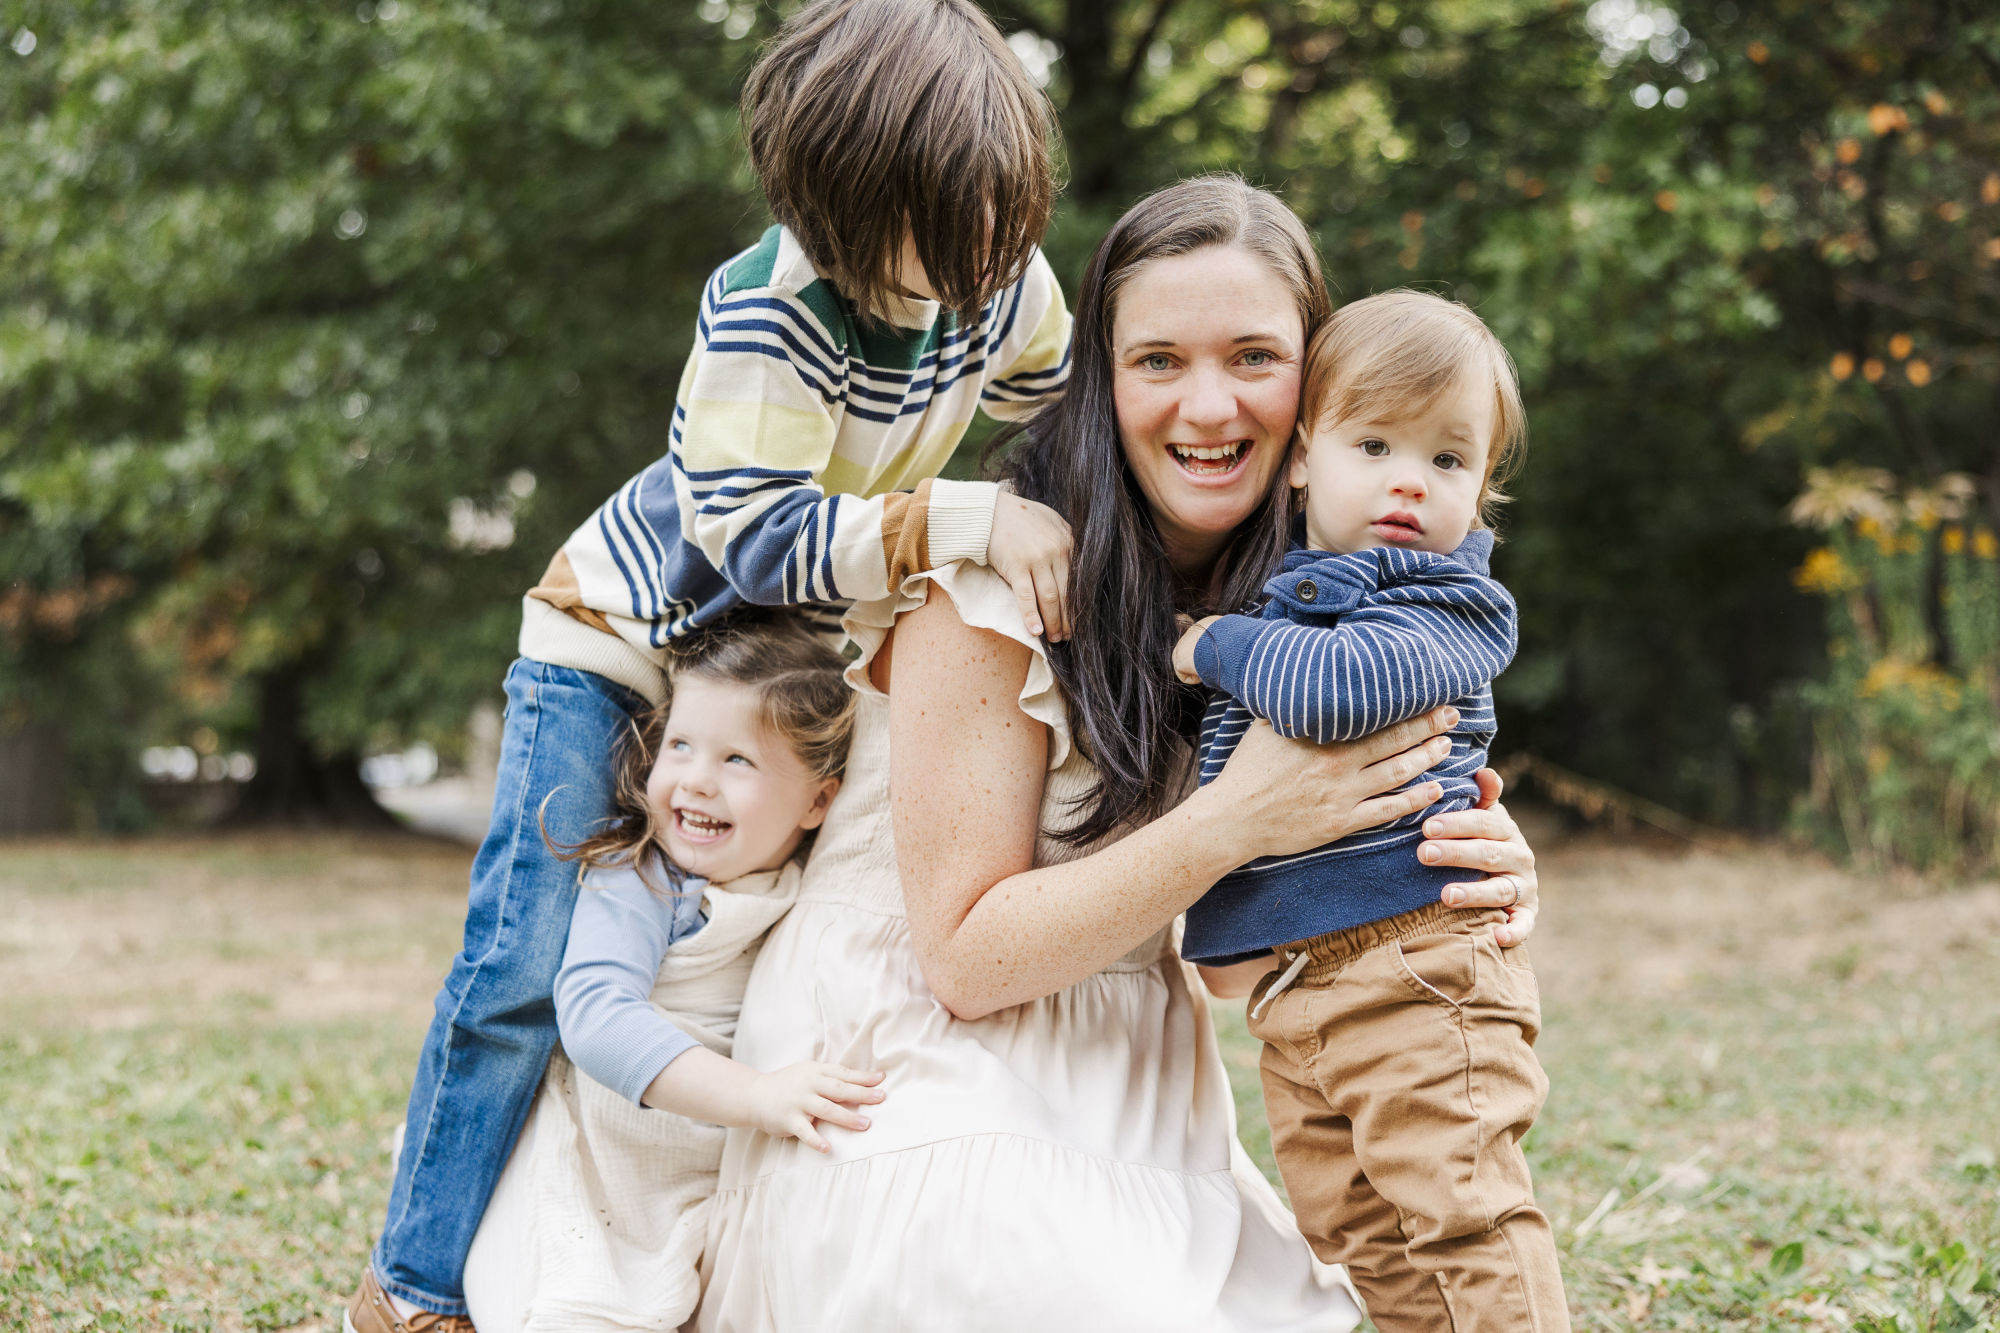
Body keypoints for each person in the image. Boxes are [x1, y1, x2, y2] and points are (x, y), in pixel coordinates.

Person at [694, 176, 1546, 1332]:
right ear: (1101, 379)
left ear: (1316, 398)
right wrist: (1238, 820)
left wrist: (1449, 864)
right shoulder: (993, 584)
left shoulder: (1312, 610)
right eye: (1156, 361)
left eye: (1253, 357)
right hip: (909, 1062)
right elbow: (965, 963)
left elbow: (1235, 960)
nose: (1207, 406)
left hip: (1130, 1078)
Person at [347, 2, 1073, 1326]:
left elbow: (1055, 399)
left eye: (996, 222)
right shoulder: (763, 316)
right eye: (932, 234)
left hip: (767, 675)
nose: (972, 265)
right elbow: (753, 537)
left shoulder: (1004, 277)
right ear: (837, 206)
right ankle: (413, 1287)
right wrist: (966, 516)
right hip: (620, 647)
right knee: (525, 965)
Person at [1172, 290, 1567, 1331]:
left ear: (1480, 492)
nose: (1408, 477)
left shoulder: (1447, 603)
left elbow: (1331, 690)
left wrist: (1207, 644)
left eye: (1447, 459)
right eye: (1374, 441)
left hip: (1417, 963)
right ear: (1302, 456)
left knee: (1460, 1214)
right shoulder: (1284, 593)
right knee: (1361, 1238)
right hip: (1296, 993)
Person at [459, 614, 883, 1333]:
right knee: (584, 1298)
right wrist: (755, 1094)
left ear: (819, 799)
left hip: (701, 1184)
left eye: (737, 760)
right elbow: (594, 1013)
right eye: (680, 745)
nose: (695, 780)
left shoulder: (807, 887)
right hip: (604, 1164)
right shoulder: (646, 878)